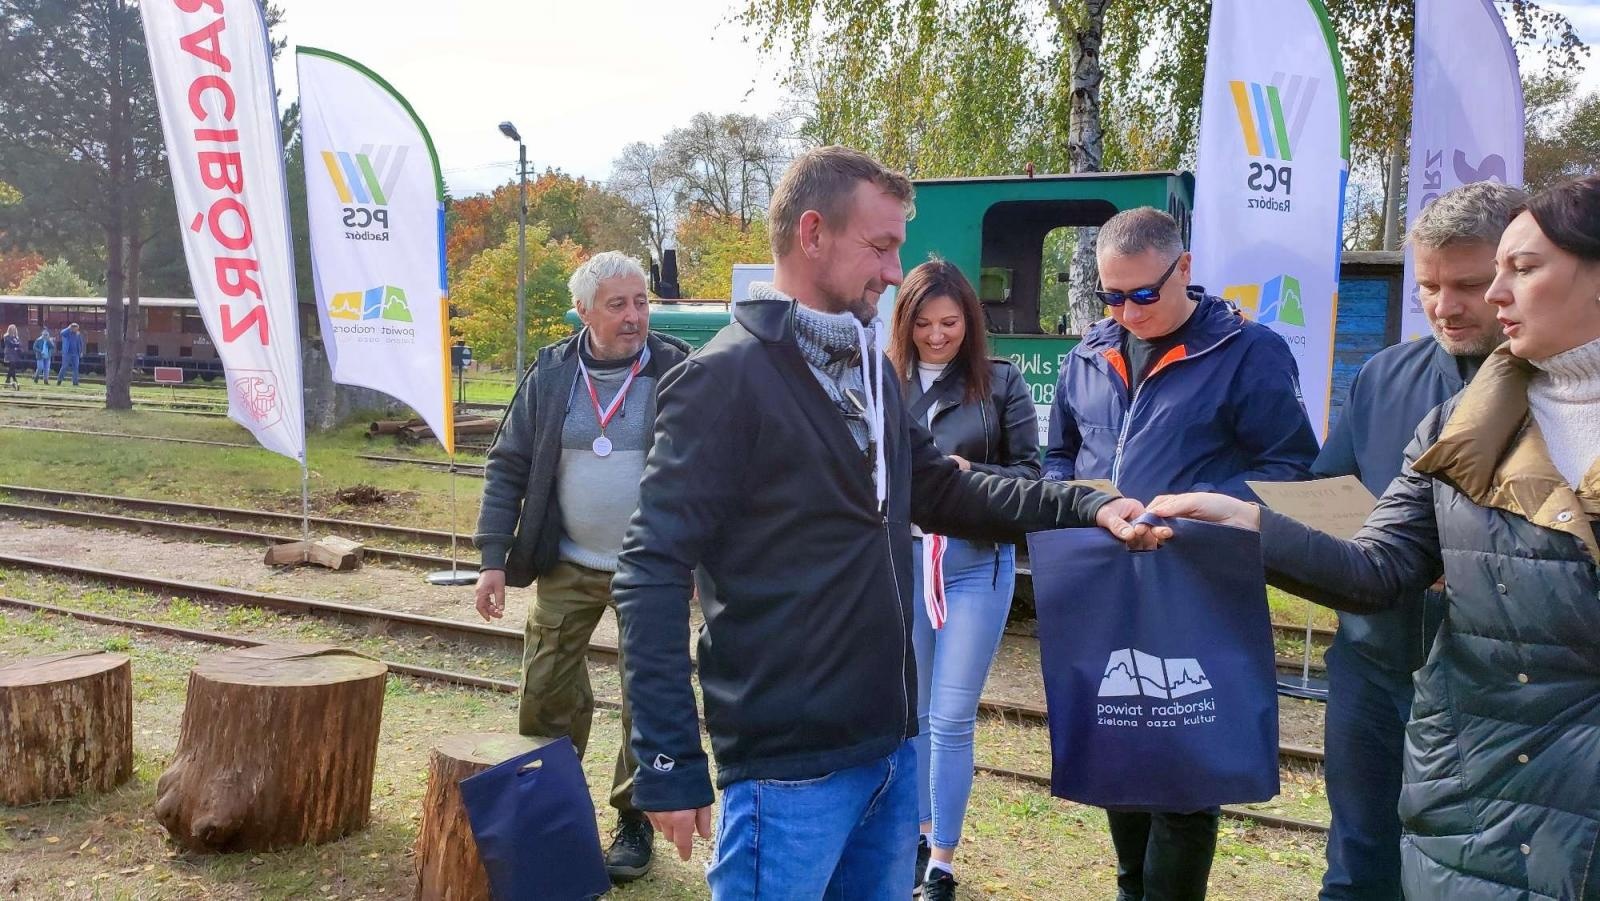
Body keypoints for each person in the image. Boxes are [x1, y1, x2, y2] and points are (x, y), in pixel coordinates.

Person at [611, 145, 1164, 900]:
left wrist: (1085, 501)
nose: (897, 270)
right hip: (786, 772)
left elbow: (944, 491)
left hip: (891, 755)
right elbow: (650, 568)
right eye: (880, 245)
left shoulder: (872, 369)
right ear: (812, 233)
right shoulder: (721, 380)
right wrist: (668, 754)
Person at [1151, 175, 1600, 900]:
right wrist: (1253, 523)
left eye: (1503, 274)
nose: (1461, 303)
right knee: (1366, 861)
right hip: (1406, 683)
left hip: (1552, 748)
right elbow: (1372, 550)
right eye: (1429, 285)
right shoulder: (1420, 396)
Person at [1043, 206, 1319, 901]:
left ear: (1185, 270)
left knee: (1187, 777)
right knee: (1120, 749)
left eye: (1143, 293)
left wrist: (1195, 507)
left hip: (1200, 583)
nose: (1127, 311)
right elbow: (1058, 454)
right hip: (1109, 581)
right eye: (1111, 295)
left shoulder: (1249, 351)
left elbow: (1290, 465)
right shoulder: (1086, 354)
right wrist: (1076, 502)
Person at [1310, 181, 1525, 900]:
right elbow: (1326, 488)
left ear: (1517, 269)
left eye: (1467, 284)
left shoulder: (1563, 391)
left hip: (1489, 690)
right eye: (1428, 285)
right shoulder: (1384, 373)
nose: (1443, 305)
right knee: (1357, 859)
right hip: (1372, 666)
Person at [472, 250, 692, 885]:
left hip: (651, 568)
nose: (633, 316)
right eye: (617, 305)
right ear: (583, 313)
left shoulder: (677, 370)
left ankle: (633, 819)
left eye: (640, 301)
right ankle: (553, 814)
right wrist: (493, 560)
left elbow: (716, 468)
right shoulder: (551, 375)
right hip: (566, 562)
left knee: (644, 699)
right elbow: (507, 464)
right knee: (545, 691)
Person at [887, 258, 1041, 900]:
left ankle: (943, 863)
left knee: (951, 715)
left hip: (978, 562)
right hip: (906, 564)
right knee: (913, 714)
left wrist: (964, 477)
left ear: (970, 322)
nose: (936, 336)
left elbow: (1033, 478)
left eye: (949, 322)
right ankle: (918, 836)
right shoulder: (886, 382)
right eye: (922, 323)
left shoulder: (1000, 384)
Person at [2, 324, 21, 389]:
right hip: (9, 353)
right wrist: (16, 344)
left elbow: (19, 344)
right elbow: (10, 344)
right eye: (12, 329)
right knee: (12, 365)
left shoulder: (16, 337)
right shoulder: (6, 336)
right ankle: (12, 380)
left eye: (14, 329)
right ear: (9, 329)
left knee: (12, 367)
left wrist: (17, 344)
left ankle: (9, 380)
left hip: (14, 353)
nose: (13, 330)